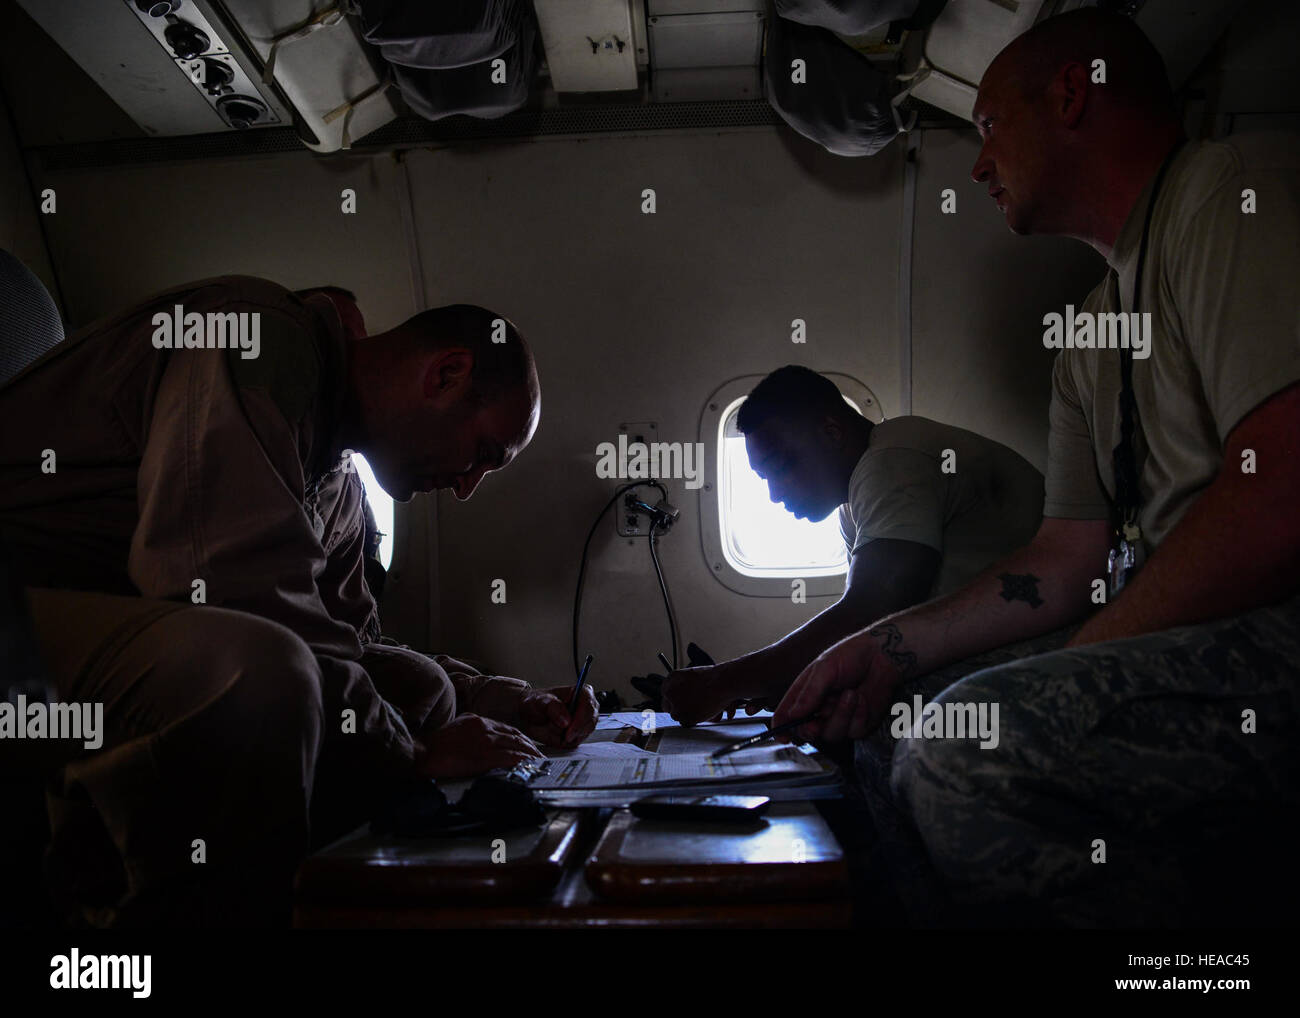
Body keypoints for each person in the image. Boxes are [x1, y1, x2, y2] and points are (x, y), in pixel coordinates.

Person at [773, 9, 1300, 926]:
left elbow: (1281, 486)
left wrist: (1082, 661)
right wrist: (884, 653)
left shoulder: (1225, 195)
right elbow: (1065, 560)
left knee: (958, 749)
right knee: (886, 726)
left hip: (1274, 627)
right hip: (1193, 640)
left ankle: (1194, 980)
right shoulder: (1087, 337)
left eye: (985, 128)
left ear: (1070, 94)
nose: (976, 165)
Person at [0, 275, 597, 926]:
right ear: (447, 373)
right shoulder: (258, 339)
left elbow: (356, 642)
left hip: (81, 617)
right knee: (257, 676)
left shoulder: (336, 479)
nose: (466, 488)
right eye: (482, 454)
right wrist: (412, 755)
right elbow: (224, 584)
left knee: (417, 687)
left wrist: (501, 699)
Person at [662, 365, 1042, 725]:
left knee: (859, 726)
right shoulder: (853, 504)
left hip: (1046, 642)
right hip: (995, 643)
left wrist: (724, 683)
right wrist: (781, 679)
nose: (775, 494)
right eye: (764, 478)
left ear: (832, 431)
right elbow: (867, 629)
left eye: (780, 467)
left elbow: (870, 611)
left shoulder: (893, 460)